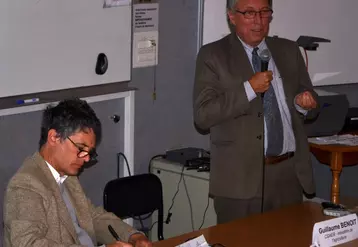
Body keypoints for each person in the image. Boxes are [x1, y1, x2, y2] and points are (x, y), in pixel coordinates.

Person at [193, 0, 318, 224]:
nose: (259, 21)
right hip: (240, 181)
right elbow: (203, 116)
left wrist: (303, 103)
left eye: (264, 12)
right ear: (232, 16)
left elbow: (305, 95)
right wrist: (249, 88)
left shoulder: (288, 50)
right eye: (249, 13)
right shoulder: (213, 55)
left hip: (288, 174)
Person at [3, 98, 152, 247]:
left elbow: (92, 217)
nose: (86, 158)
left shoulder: (67, 176)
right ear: (54, 137)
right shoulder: (25, 185)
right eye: (81, 149)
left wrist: (133, 235)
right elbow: (29, 244)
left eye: (90, 153)